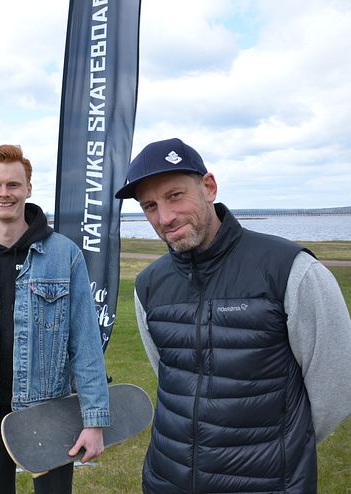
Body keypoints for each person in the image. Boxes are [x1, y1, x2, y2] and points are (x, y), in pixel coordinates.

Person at [115, 137, 351, 493]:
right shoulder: (149, 284)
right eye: (149, 206)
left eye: (175, 196)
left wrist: (281, 447)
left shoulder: (289, 269)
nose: (164, 218)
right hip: (167, 478)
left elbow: (336, 384)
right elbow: (168, 374)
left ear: (208, 187)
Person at [0, 144, 110, 494]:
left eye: (13, 184)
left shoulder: (64, 255)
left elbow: (85, 342)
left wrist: (94, 419)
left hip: (50, 410)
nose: (4, 193)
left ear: (28, 188)